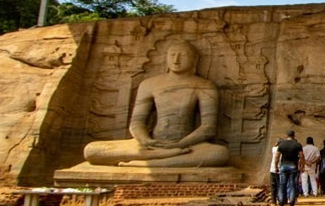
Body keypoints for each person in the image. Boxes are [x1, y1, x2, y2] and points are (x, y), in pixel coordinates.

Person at [83, 39, 229, 167]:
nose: (176, 60)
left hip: (187, 145)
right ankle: (159, 156)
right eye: (172, 55)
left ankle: (151, 162)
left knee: (218, 154)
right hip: (152, 144)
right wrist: (145, 140)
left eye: (182, 55)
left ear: (194, 60)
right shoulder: (149, 84)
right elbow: (137, 123)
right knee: (91, 150)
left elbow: (208, 128)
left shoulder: (204, 86)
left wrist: (180, 144)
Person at [274, 130, 302, 206]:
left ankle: (281, 202)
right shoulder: (297, 145)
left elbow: (277, 156)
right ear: (294, 136)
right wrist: (302, 166)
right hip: (293, 166)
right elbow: (301, 156)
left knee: (282, 184)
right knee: (292, 184)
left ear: (286, 135)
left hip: (283, 166)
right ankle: (291, 203)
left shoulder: (282, 145)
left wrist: (276, 166)